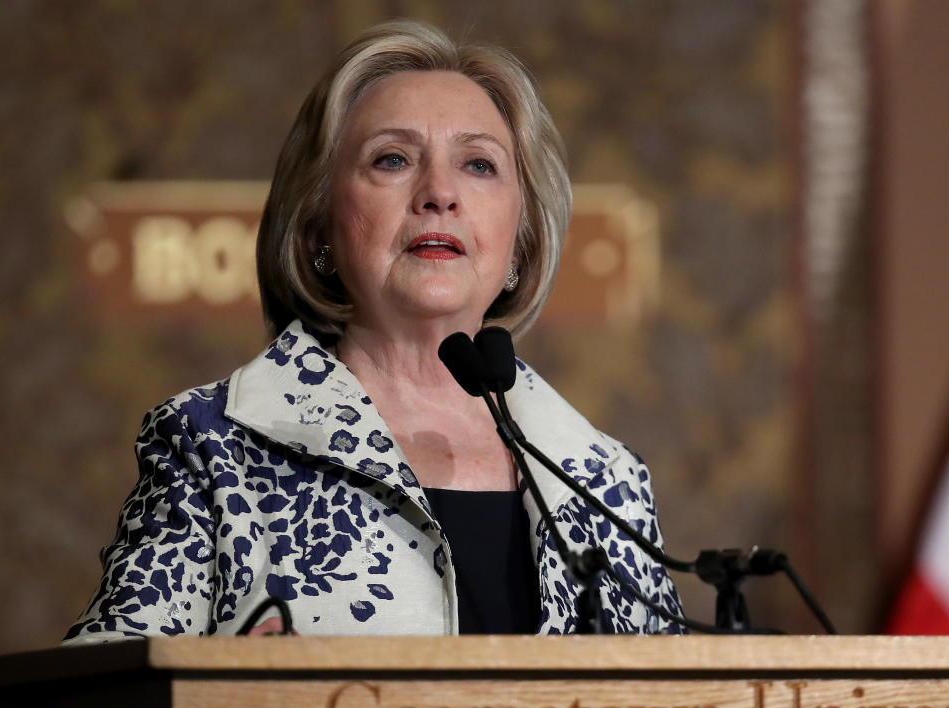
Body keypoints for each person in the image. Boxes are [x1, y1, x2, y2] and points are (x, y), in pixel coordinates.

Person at [64, 20, 684, 644]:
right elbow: (100, 705)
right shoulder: (211, 447)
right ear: (318, 228)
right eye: (392, 159)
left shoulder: (607, 482)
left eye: (478, 164)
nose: (439, 193)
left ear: (521, 240)